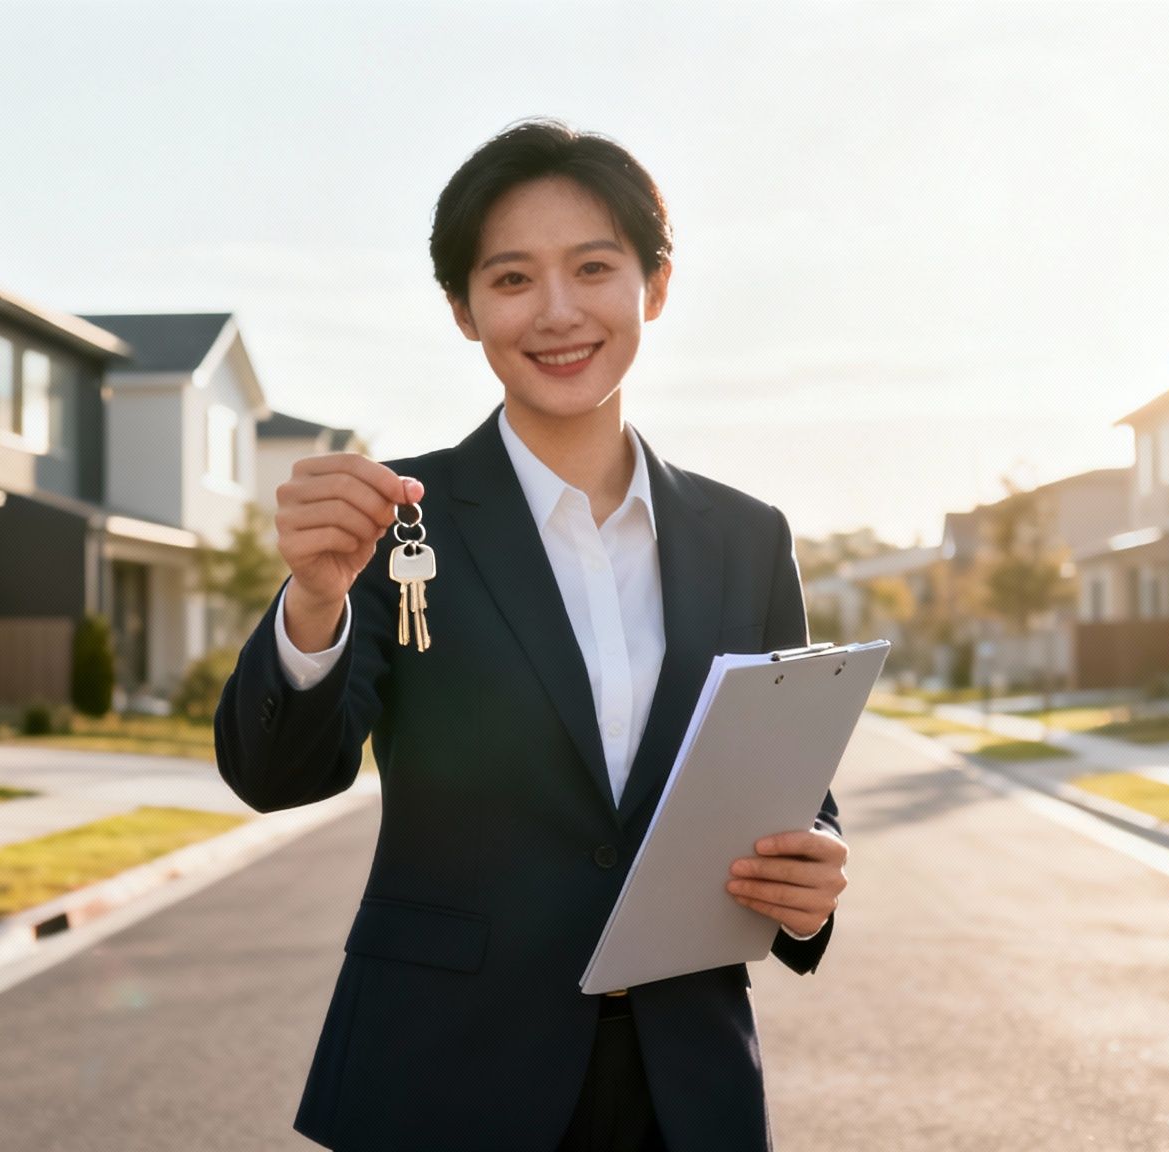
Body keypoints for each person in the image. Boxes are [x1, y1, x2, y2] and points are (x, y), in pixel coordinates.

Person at [215, 118, 847, 1152]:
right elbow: (281, 774)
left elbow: (785, 782)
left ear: (655, 284)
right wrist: (314, 603)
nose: (556, 312)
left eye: (592, 267)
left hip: (683, 1087)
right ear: (463, 311)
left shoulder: (745, 536)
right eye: (510, 280)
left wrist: (812, 870)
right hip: (442, 1078)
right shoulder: (392, 518)